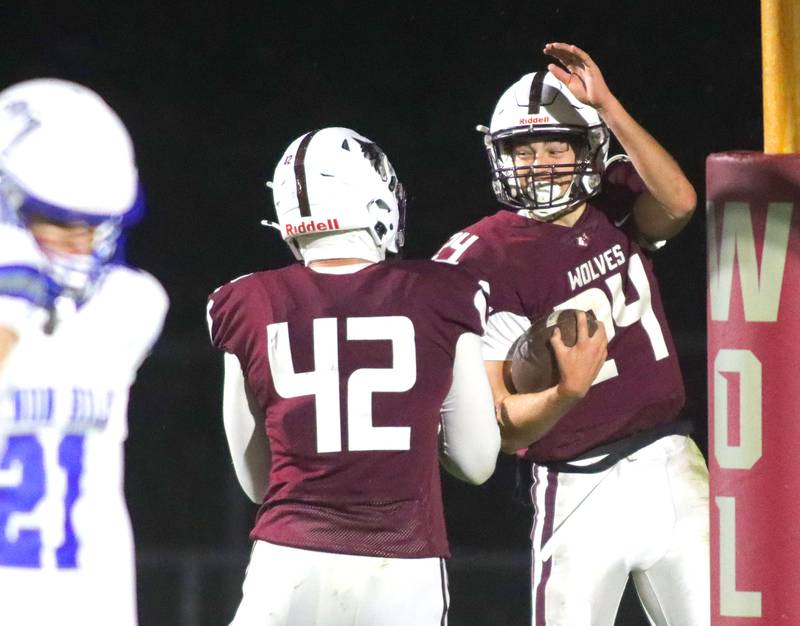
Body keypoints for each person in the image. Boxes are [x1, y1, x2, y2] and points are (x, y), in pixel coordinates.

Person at [433, 43, 709, 625]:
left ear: (589, 147)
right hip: (578, 484)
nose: (541, 163)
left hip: (673, 464)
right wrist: (565, 395)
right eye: (523, 149)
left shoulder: (614, 201)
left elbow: (681, 202)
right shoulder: (483, 256)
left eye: (556, 145)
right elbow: (502, 424)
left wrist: (606, 103)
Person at [207, 126, 500, 626]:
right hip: (401, 570)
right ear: (375, 200)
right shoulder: (444, 292)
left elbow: (258, 483)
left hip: (287, 567)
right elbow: (475, 462)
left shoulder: (244, 301)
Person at [0, 79, 168, 625]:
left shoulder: (127, 305)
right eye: (56, 221)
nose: (80, 245)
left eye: (93, 227)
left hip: (88, 605)